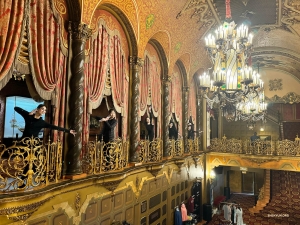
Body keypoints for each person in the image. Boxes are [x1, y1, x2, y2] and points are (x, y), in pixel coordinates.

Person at [14, 104, 76, 188]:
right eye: (42, 109)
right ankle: (26, 180)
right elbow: (16, 108)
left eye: (45, 110)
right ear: (38, 109)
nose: (44, 111)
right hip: (25, 143)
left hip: (35, 144)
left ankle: (26, 180)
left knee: (33, 162)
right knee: (27, 162)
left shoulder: (42, 122)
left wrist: (68, 131)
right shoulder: (28, 116)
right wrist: (29, 112)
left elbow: (54, 127)